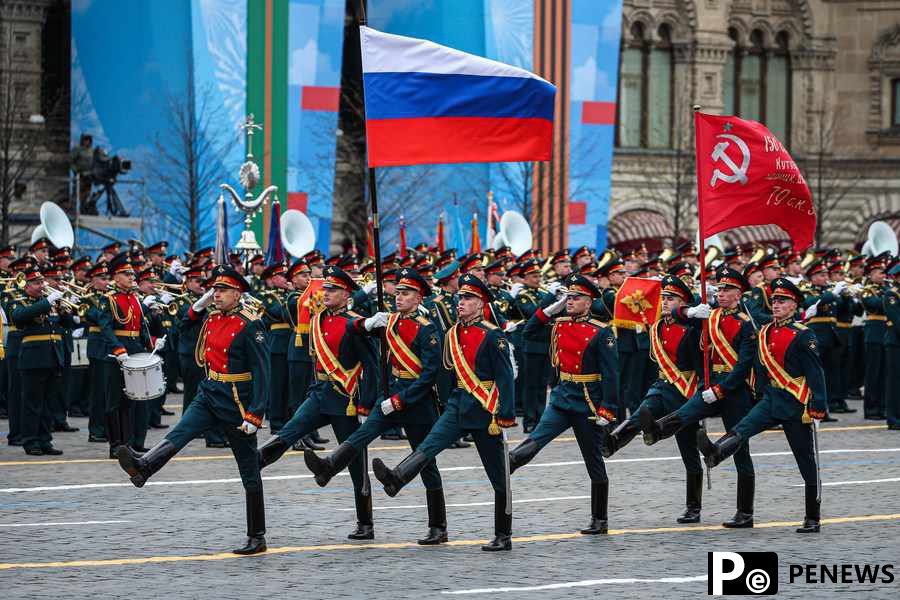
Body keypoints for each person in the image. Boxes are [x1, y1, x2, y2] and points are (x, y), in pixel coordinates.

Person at [116, 265, 270, 554]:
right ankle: (144, 466)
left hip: (236, 400)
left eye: (222, 290)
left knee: (249, 469)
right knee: (182, 431)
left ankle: (257, 535)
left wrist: (255, 414)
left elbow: (263, 372)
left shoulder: (251, 324)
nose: (217, 294)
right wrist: (196, 309)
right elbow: (179, 332)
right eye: (214, 290)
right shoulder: (210, 318)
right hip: (209, 391)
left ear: (238, 294)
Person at [372, 274, 516, 551]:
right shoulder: (452, 333)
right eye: (460, 297)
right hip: (457, 404)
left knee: (498, 475)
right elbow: (447, 374)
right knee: (429, 446)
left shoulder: (492, 335)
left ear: (481, 303)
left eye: (468, 298)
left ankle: (503, 534)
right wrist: (443, 403)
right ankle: (397, 478)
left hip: (485, 410)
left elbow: (505, 377)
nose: (461, 302)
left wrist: (506, 414)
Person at [305, 268, 448, 545]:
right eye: (398, 292)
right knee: (362, 434)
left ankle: (438, 526)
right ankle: (329, 466)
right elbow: (353, 328)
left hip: (416, 401)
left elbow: (431, 374)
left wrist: (400, 399)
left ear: (419, 297)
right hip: (390, 395)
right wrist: (370, 323)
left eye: (406, 293)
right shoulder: (390, 322)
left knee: (426, 461)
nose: (398, 297)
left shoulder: (427, 328)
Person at [255, 266, 379, 540]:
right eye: (325, 289)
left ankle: (365, 522)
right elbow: (316, 360)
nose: (326, 294)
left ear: (346, 294)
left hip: (346, 398)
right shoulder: (318, 319)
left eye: (332, 290)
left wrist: (365, 406)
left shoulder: (355, 323)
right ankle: (257, 461)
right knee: (290, 430)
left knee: (356, 462)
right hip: (320, 392)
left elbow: (372, 367)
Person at [699, 277, 827, 534]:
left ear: (794, 305)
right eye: (775, 300)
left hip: (795, 403)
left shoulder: (803, 335)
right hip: (770, 399)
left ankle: (812, 516)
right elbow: (760, 366)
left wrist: (818, 406)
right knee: (742, 428)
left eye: (783, 301)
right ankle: (715, 453)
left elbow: (816, 373)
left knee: (805, 460)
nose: (777, 304)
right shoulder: (766, 330)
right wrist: (756, 392)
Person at [641, 266, 762, 528]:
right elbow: (674, 313)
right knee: (686, 413)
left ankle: (745, 512)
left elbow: (743, 366)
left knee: (740, 450)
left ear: (739, 294)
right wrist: (692, 311)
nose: (721, 293)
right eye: (719, 288)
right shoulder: (710, 316)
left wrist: (720, 389)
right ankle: (657, 429)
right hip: (711, 383)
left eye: (727, 289)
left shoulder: (745, 324)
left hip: (734, 388)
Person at [507, 274, 618, 534]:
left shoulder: (601, 332)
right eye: (568, 296)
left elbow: (612, 375)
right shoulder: (560, 324)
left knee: (593, 461)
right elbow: (530, 331)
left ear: (588, 302)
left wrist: (608, 409)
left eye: (576, 297)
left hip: (587, 402)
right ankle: (507, 467)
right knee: (536, 439)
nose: (570, 301)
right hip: (562, 396)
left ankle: (599, 519)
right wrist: (548, 310)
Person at [603, 275, 706, 523]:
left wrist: (701, 398)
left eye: (670, 299)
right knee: (643, 411)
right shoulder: (658, 326)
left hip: (685, 390)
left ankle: (694, 506)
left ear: (683, 301)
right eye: (663, 298)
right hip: (662, 385)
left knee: (688, 450)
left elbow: (702, 365)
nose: (664, 303)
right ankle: (614, 441)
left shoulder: (692, 328)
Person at [9, 267, 77, 455]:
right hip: (33, 359)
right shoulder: (19, 302)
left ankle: (45, 440)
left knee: (49, 404)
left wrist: (66, 309)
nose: (42, 286)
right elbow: (19, 317)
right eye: (37, 283)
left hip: (53, 358)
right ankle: (31, 441)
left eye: (42, 282)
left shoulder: (51, 304)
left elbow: (67, 325)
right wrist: (47, 302)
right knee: (32, 404)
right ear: (27, 285)